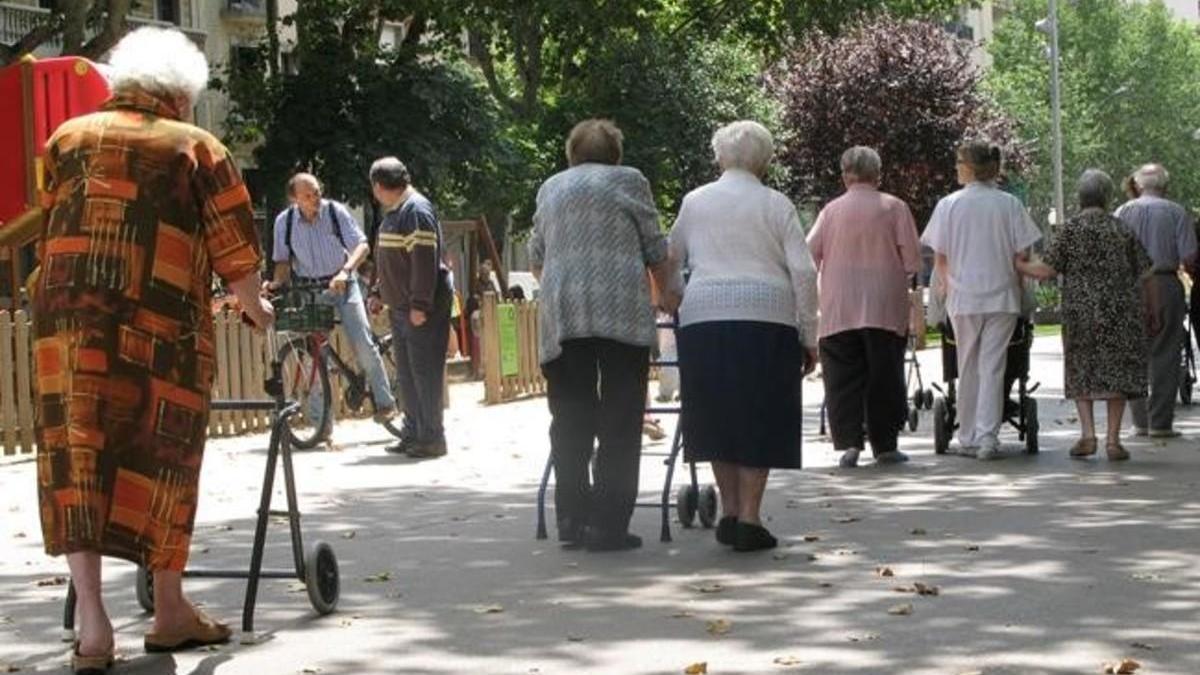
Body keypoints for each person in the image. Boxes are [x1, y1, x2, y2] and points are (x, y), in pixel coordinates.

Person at [31, 27, 273, 673]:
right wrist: (258, 310)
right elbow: (236, 256)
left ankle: (93, 627)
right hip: (159, 332)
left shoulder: (66, 138)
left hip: (66, 330)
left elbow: (55, 215)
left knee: (76, 459)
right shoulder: (195, 147)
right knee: (162, 452)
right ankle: (168, 610)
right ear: (179, 93)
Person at [529, 119, 679, 552]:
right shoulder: (631, 181)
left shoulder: (551, 188)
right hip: (621, 313)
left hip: (564, 314)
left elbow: (537, 258)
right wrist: (669, 295)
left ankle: (572, 520)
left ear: (571, 154)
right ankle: (608, 525)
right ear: (616, 154)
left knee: (570, 416)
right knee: (620, 416)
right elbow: (656, 249)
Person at [670, 120, 818, 552]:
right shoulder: (776, 204)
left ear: (719, 156)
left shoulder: (694, 203)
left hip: (704, 318)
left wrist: (677, 297)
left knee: (718, 411)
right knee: (760, 412)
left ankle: (731, 511)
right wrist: (809, 332)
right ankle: (750, 517)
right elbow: (804, 271)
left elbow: (671, 256)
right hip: (767, 317)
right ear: (765, 161)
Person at [1017, 170, 1152, 461]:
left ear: (1081, 197)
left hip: (1081, 312)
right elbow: (1145, 269)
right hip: (1119, 309)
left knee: (1082, 367)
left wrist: (1019, 265)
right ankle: (1114, 441)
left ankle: (1088, 435)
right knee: (1116, 369)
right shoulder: (1121, 228)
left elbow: (1047, 270)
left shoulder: (1069, 230)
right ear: (1106, 197)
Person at [921, 141, 1041, 461]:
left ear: (970, 167)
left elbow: (940, 258)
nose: (956, 167)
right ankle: (988, 437)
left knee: (967, 365)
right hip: (1002, 295)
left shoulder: (949, 205)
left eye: (959, 161)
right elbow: (1022, 255)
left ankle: (968, 435)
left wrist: (947, 289)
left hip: (964, 297)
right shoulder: (1010, 204)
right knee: (994, 367)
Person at [807, 146, 921, 468]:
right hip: (884, 306)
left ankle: (849, 444)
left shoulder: (830, 211)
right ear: (878, 174)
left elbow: (809, 255)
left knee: (843, 376)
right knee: (884, 374)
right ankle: (885, 445)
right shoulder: (895, 208)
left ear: (845, 174)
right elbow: (911, 260)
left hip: (839, 306)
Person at [265, 173, 396, 430]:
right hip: (311, 291)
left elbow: (361, 245)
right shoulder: (285, 222)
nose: (315, 198)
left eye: (317, 192)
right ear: (295, 198)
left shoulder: (335, 212)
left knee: (361, 341)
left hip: (344, 286)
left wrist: (346, 271)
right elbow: (282, 261)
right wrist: (276, 283)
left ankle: (385, 402)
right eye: (308, 195)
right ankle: (322, 425)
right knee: (312, 356)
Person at [368, 157, 454, 458]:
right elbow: (389, 259)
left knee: (424, 372)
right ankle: (413, 431)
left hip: (420, 307)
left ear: (379, 187)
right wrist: (379, 291)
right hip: (400, 306)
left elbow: (423, 260)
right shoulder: (394, 212)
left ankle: (432, 437)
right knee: (406, 373)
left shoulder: (416, 210)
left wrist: (420, 304)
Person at [1114, 163, 1197, 437]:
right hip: (1164, 281)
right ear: (1164, 186)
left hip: (1128, 283)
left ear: (1138, 185)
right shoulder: (1176, 212)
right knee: (1166, 352)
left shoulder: (1122, 212)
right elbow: (1189, 257)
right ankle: (1160, 422)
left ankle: (1140, 421)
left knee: (1133, 354)